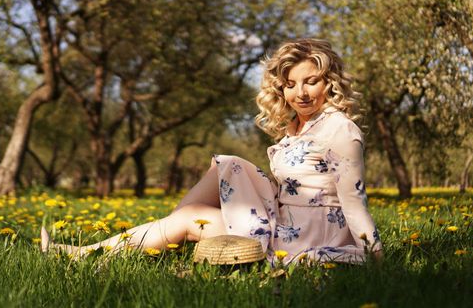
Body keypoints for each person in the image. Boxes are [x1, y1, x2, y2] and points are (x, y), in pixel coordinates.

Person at [41, 38, 383, 265]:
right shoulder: (298, 126)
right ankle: (166, 237)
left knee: (190, 218)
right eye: (290, 84)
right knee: (226, 165)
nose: (300, 93)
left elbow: (354, 202)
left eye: (311, 81)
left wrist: (377, 260)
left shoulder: (340, 130)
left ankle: (88, 254)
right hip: (281, 223)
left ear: (330, 82)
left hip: (304, 241)